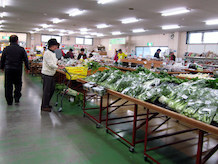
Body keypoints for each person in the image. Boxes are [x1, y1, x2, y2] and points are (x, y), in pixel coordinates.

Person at [0, 35, 30, 105]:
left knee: (8, 85)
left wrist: (1, 67)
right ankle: (17, 98)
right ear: (17, 41)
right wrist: (27, 68)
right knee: (18, 84)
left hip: (8, 69)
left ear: (9, 41)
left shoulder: (6, 49)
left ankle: (9, 101)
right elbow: (26, 59)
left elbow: (2, 59)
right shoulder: (21, 49)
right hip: (18, 69)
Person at [41, 39, 59, 112]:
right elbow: (50, 64)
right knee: (47, 91)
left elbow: (54, 62)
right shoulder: (47, 53)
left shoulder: (53, 53)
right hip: (47, 74)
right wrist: (59, 67)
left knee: (51, 90)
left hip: (51, 74)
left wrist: (58, 64)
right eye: (56, 45)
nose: (56, 47)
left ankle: (47, 104)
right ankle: (44, 106)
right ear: (52, 46)